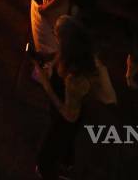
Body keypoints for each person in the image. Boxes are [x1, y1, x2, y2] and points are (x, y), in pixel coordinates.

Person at [32, 16, 116, 180]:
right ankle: (66, 164)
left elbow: (70, 116)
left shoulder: (74, 78)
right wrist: (44, 57)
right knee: (67, 144)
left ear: (67, 43)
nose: (53, 35)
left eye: (57, 35)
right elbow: (58, 56)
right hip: (67, 107)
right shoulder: (75, 52)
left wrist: (46, 84)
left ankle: (49, 172)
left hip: (65, 117)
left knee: (46, 154)